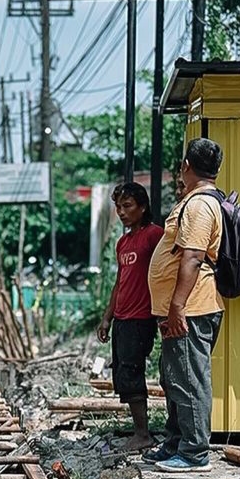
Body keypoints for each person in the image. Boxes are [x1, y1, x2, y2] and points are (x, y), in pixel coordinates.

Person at [145, 138, 225, 472]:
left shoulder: (199, 206)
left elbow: (192, 258)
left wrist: (177, 307)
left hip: (191, 309)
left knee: (190, 379)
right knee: (174, 377)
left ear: (186, 167)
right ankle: (177, 441)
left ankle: (195, 454)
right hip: (182, 308)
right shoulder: (193, 201)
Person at [97, 182, 164, 451]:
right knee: (123, 375)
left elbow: (166, 272)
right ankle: (139, 431)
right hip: (123, 318)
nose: (122, 212)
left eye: (127, 206)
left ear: (143, 207)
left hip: (141, 317)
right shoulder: (123, 242)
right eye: (118, 207)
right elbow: (119, 282)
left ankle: (143, 434)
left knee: (133, 372)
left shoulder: (154, 236)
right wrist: (106, 318)